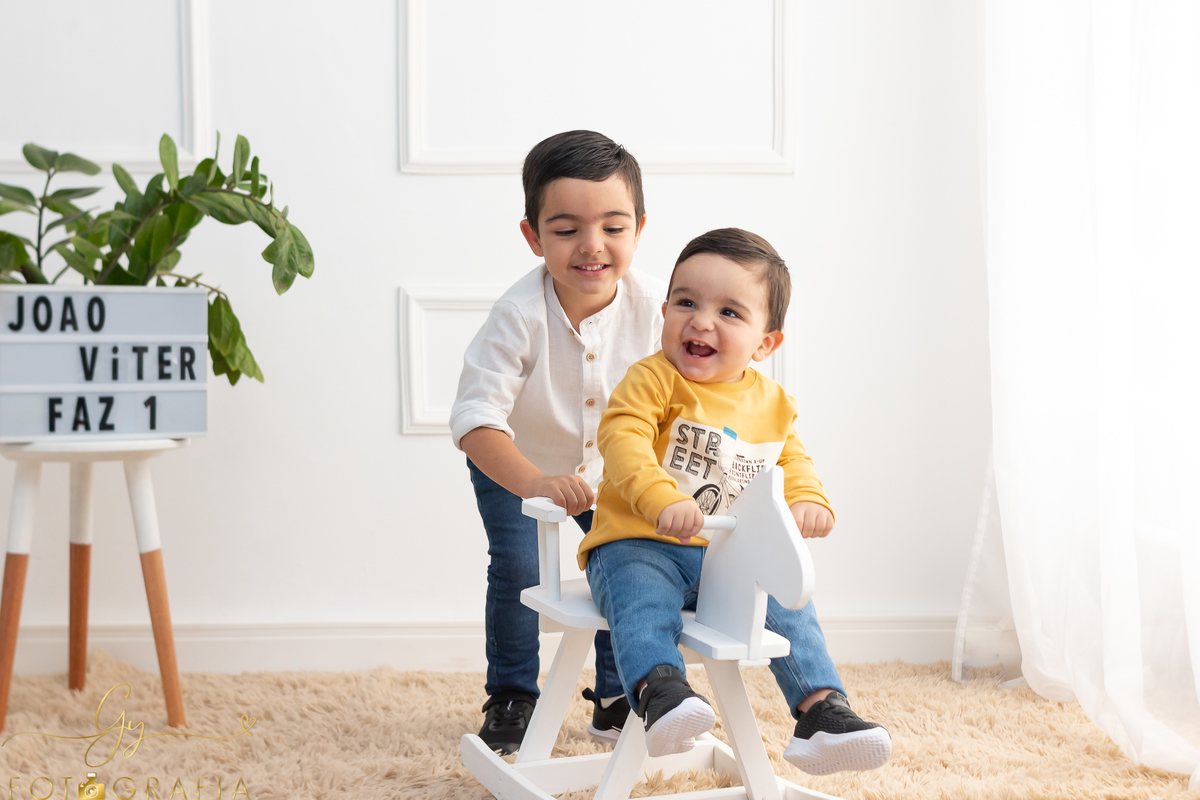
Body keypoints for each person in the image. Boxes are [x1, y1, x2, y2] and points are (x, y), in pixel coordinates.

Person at [580, 228, 893, 774]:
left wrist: (807, 498)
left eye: (728, 312)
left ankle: (821, 710)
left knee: (789, 600)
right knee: (642, 602)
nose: (701, 322)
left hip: (724, 557)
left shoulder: (772, 403)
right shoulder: (653, 380)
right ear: (664, 313)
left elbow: (790, 460)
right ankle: (661, 692)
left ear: (764, 344)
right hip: (639, 542)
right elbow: (622, 438)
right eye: (686, 303)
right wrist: (659, 497)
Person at [450, 131, 666, 755]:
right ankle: (512, 695)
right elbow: (476, 419)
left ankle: (617, 694)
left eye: (613, 227)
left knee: (625, 566)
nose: (591, 246)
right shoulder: (518, 313)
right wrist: (536, 483)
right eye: (567, 229)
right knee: (519, 569)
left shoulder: (657, 309)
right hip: (518, 463)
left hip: (617, 469)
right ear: (534, 236)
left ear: (639, 229)